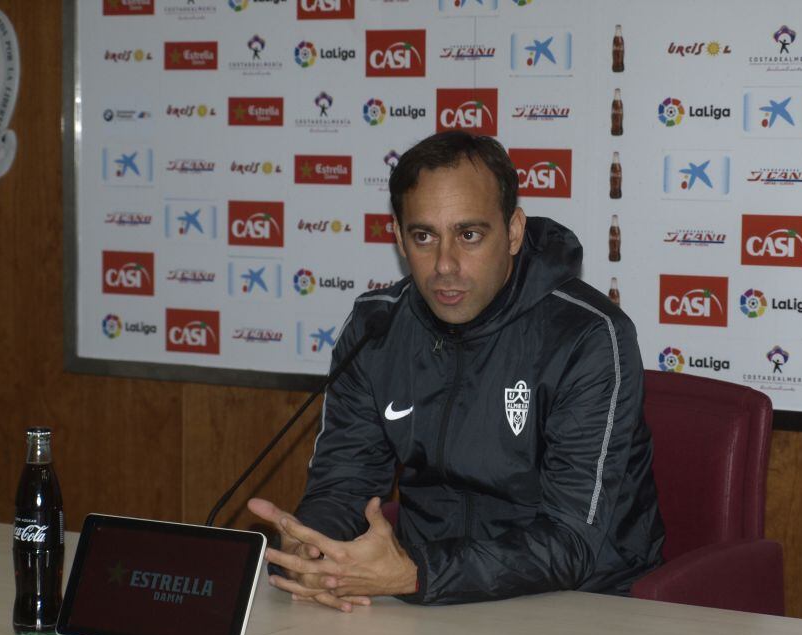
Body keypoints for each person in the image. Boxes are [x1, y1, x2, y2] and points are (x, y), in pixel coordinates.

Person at [248, 132, 663, 610]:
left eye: (469, 235)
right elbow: (344, 484)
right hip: (428, 597)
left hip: (586, 604)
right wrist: (312, 545)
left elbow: (571, 542)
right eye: (424, 236)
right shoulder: (376, 327)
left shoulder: (587, 336)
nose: (445, 265)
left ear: (513, 231)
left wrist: (417, 574)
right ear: (398, 237)